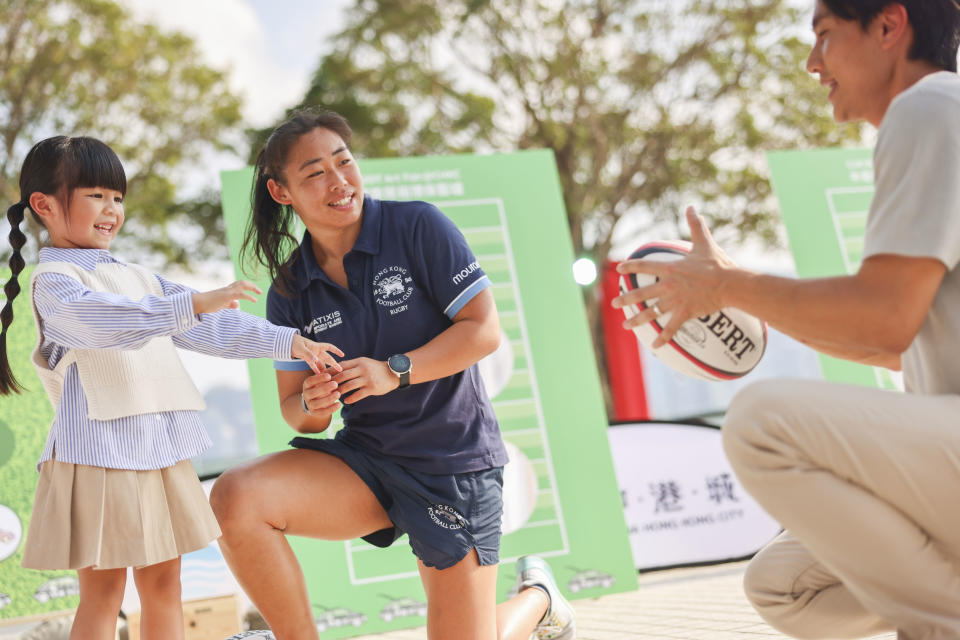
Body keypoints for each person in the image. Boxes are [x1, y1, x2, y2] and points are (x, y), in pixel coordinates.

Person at [615, 1, 960, 638]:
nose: (812, 62)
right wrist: (736, 294)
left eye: (824, 37)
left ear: (889, 27)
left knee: (760, 422)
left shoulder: (930, 107)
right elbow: (895, 346)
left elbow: (881, 320)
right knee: (783, 585)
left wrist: (730, 286)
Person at [209, 109, 576, 640]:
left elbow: (483, 331)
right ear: (282, 192)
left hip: (453, 463)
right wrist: (315, 402)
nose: (339, 181)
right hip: (369, 464)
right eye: (315, 173)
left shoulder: (417, 226)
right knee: (235, 498)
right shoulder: (289, 288)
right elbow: (297, 413)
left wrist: (393, 372)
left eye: (344, 162)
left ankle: (537, 602)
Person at [0, 135, 343, 640]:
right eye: (95, 194)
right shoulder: (55, 278)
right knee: (104, 594)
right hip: (99, 453)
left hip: (160, 448)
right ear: (44, 205)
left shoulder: (138, 275)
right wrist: (192, 304)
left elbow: (211, 327)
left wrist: (290, 342)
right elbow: (102, 321)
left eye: (117, 198)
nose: (111, 210)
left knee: (165, 583)